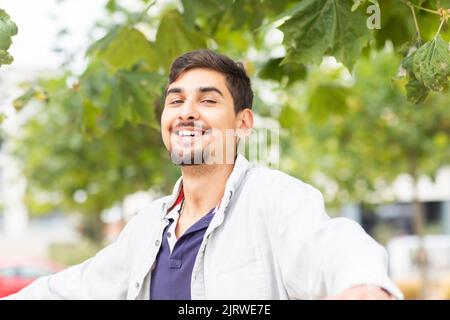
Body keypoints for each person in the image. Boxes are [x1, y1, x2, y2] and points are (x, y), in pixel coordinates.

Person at [4, 49, 403, 300]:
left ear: (243, 123)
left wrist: (364, 286)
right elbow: (73, 288)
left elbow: (334, 246)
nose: (186, 111)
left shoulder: (276, 199)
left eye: (208, 100)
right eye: (175, 100)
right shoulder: (148, 225)